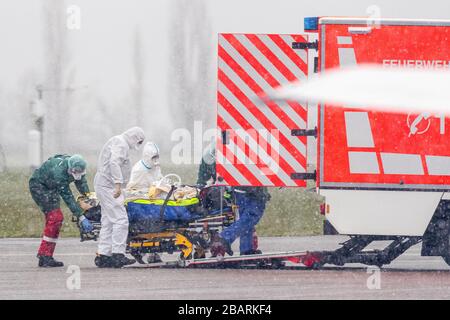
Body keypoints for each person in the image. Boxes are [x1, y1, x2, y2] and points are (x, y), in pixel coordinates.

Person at [197, 144, 270, 257]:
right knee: (251, 216)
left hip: (238, 190)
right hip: (252, 189)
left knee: (246, 218)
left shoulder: (213, 152)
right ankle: (224, 238)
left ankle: (247, 249)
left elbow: (203, 178)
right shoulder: (251, 145)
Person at [94, 127, 145, 268]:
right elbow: (114, 162)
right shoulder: (121, 143)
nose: (138, 145)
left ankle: (104, 255)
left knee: (108, 220)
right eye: (139, 141)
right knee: (121, 220)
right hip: (108, 185)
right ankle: (118, 254)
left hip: (104, 184)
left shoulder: (118, 141)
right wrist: (117, 184)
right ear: (135, 137)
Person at [29, 154, 93, 267]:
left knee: (56, 220)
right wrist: (81, 216)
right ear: (70, 169)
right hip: (40, 186)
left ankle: (46, 255)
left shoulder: (77, 166)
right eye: (75, 172)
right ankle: (44, 256)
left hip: (51, 186)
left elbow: (81, 182)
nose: (78, 174)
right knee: (55, 218)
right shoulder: (59, 173)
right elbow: (68, 197)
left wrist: (89, 196)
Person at [126, 141, 163, 263]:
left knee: (159, 223)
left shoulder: (156, 167)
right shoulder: (139, 170)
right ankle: (142, 249)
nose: (156, 160)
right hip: (141, 203)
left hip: (153, 201)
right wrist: (147, 193)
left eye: (157, 157)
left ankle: (154, 252)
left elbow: (159, 179)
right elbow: (132, 190)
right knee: (150, 224)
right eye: (154, 157)